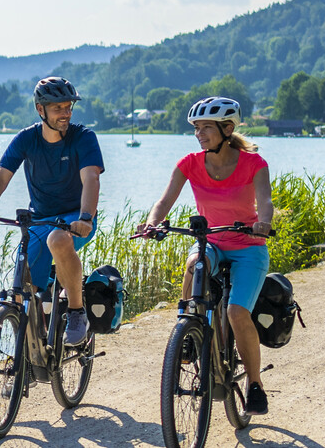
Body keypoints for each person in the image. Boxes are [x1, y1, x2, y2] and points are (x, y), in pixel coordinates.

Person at [137, 96, 274, 415]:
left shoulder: (254, 164)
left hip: (248, 247)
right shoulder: (190, 163)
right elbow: (164, 200)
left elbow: (264, 201)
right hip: (211, 241)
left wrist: (263, 223)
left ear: (227, 129)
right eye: (196, 128)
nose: (199, 134)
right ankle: (188, 326)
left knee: (237, 313)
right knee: (194, 263)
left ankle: (255, 385)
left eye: (206, 128)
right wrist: (153, 223)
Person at [0, 76, 104, 345]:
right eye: (57, 108)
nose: (65, 113)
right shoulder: (26, 139)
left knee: (58, 239)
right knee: (21, 289)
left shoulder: (83, 137)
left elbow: (91, 178)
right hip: (40, 220)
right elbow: (1, 177)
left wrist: (86, 216)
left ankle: (76, 312)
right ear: (40, 110)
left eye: (68, 107)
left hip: (77, 217)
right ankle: (27, 358)